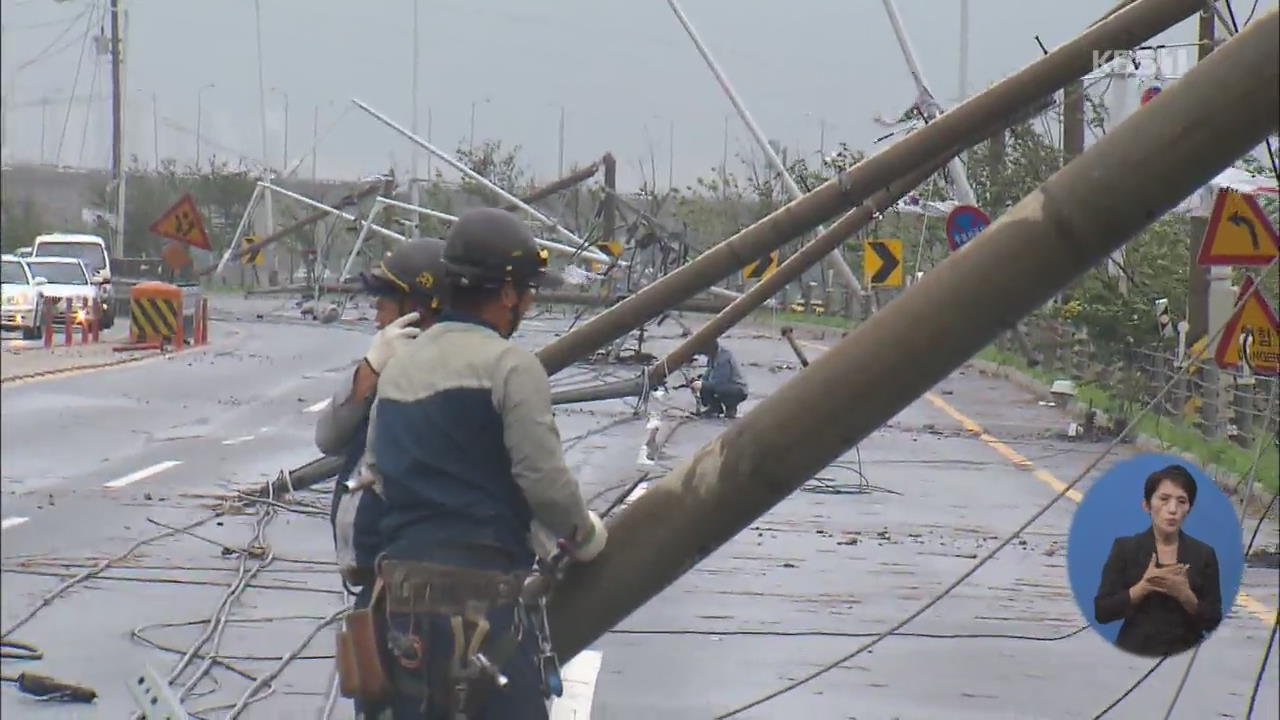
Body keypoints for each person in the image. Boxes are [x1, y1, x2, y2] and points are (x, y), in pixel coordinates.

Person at [367, 208, 607, 719]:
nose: (530, 300)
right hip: (484, 607)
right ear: (505, 294)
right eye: (528, 290)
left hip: (405, 612)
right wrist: (583, 535)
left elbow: (375, 483)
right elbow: (543, 482)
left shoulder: (397, 370)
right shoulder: (511, 366)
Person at [314, 238, 448, 719]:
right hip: (377, 584)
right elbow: (328, 435)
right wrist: (370, 369)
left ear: (418, 310)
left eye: (385, 306)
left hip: (418, 589)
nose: (376, 318)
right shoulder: (382, 370)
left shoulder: (448, 378)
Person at [1093, 464, 1223, 657]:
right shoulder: (1126, 549)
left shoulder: (1203, 554)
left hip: (1184, 654)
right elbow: (1102, 612)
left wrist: (1186, 596)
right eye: (1164, 499)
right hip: (1135, 652)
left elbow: (1214, 620)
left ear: (1189, 508)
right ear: (1147, 505)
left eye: (1181, 501)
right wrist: (1143, 587)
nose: (1172, 510)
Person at [692, 340, 749, 418]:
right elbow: (708, 374)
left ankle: (721, 408)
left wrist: (701, 385)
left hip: (737, 390)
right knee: (703, 385)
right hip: (729, 386)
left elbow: (718, 383)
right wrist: (698, 381)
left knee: (706, 386)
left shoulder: (724, 358)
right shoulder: (714, 356)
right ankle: (719, 408)